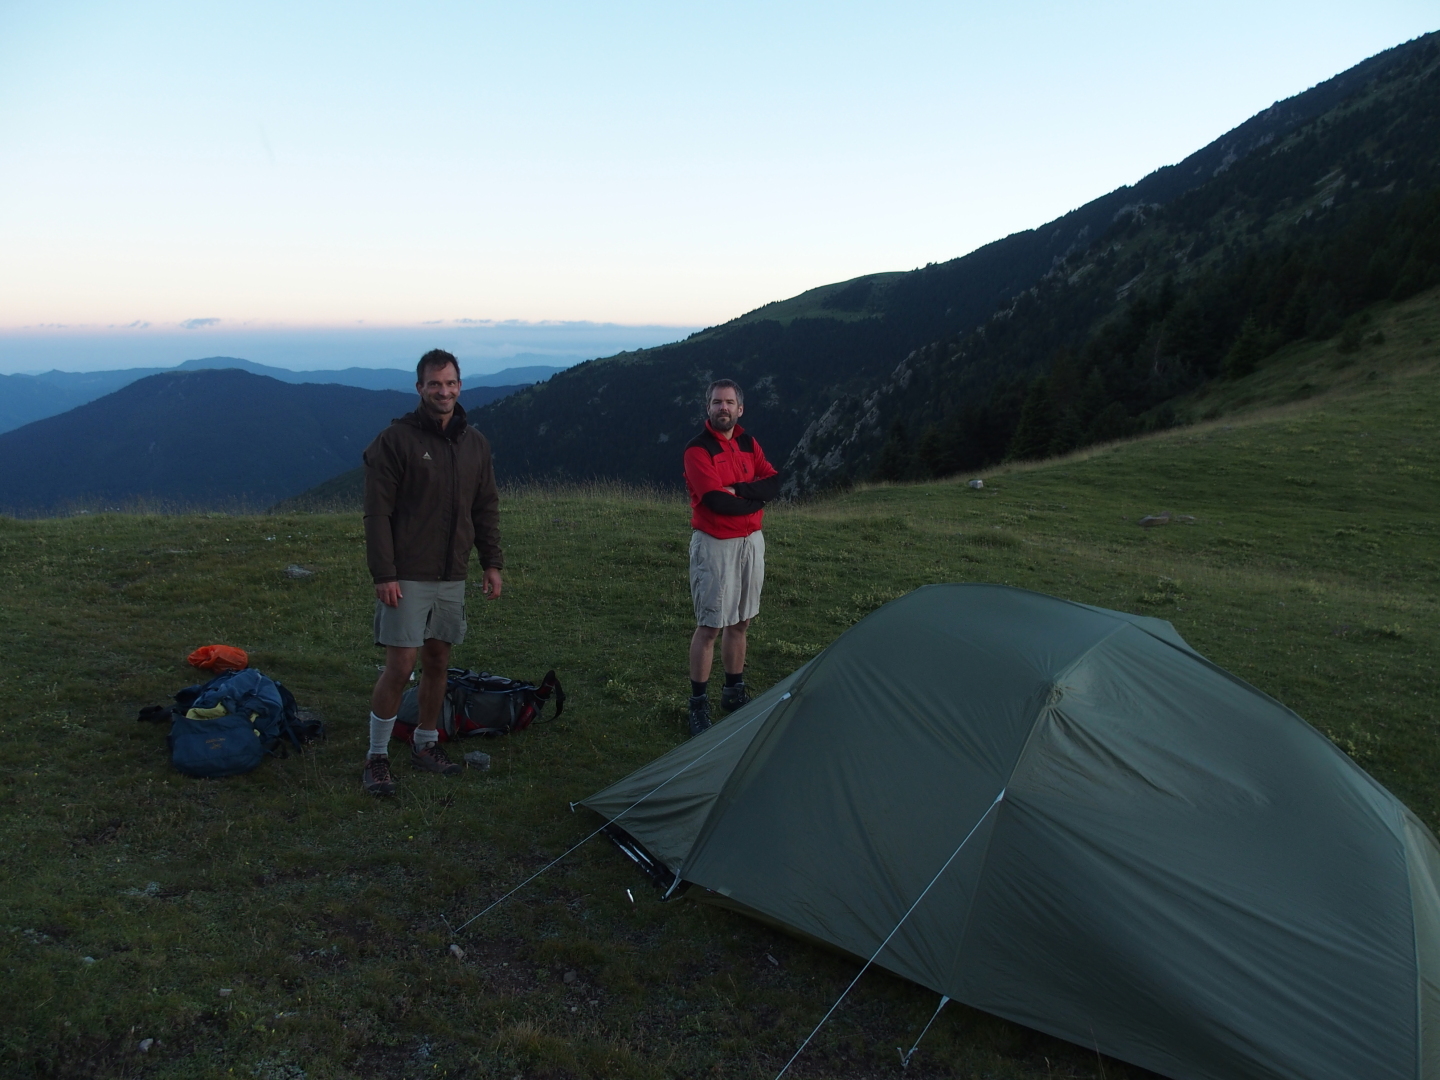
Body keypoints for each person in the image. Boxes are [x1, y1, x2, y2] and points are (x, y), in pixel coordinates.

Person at [360, 349, 504, 795]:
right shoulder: (396, 440)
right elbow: (377, 514)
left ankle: (426, 742)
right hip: (406, 573)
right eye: (434, 384)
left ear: (460, 386)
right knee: (401, 665)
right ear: (419, 388)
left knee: (438, 659)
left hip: (452, 572)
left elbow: (486, 507)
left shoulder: (474, 444)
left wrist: (491, 562)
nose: (444, 391)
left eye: (451, 383)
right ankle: (377, 756)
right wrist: (384, 573)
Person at [682, 379, 781, 737]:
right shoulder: (697, 450)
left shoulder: (747, 442)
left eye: (728, 402)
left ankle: (733, 693)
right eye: (716, 402)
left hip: (751, 542)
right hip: (715, 544)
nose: (722, 408)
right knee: (710, 626)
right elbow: (714, 501)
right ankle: (697, 705)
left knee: (742, 620)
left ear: (740, 408)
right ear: (707, 408)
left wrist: (740, 491)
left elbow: (774, 482)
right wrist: (756, 500)